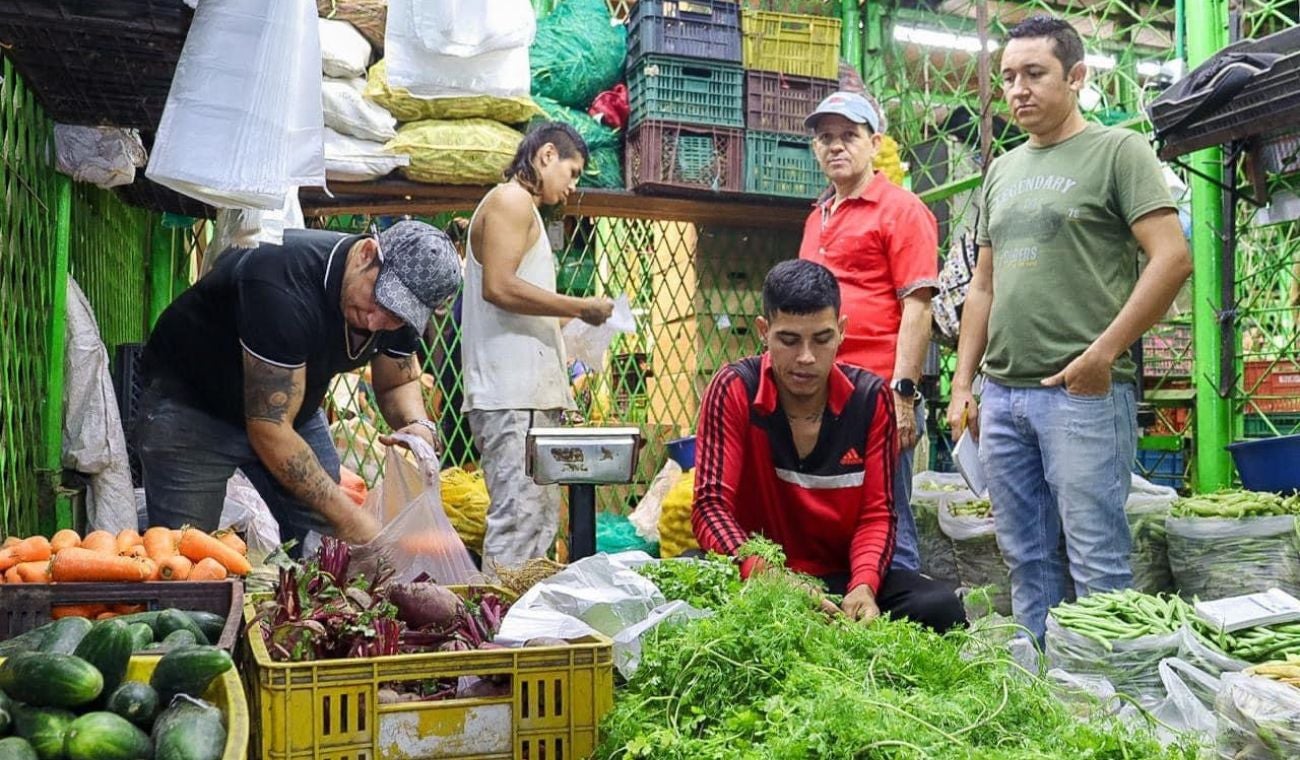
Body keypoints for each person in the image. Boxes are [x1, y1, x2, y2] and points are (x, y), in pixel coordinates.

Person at [944, 16, 1193, 642]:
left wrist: (1104, 354)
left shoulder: (1118, 151)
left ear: (1076, 77)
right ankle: (1046, 696)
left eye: (1035, 74)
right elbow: (983, 285)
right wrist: (962, 384)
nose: (1018, 90)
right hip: (1001, 397)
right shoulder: (1001, 170)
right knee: (1027, 560)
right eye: (1007, 78)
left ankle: (1112, 705)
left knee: (1098, 561)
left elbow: (1173, 258)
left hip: (1081, 395)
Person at [136, 220, 463, 551]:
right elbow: (269, 431)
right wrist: (355, 522)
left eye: (396, 316)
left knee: (323, 537)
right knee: (184, 553)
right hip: (192, 406)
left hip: (289, 410)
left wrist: (416, 424)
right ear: (366, 254)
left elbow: (398, 382)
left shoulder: (399, 310)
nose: (376, 323)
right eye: (379, 301)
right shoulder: (281, 282)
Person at [692, 259, 965, 632]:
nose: (806, 357)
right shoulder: (733, 389)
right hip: (757, 582)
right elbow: (710, 507)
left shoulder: (871, 400)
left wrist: (865, 585)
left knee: (940, 606)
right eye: (788, 340)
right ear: (764, 332)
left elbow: (878, 515)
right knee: (682, 595)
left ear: (841, 331)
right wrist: (771, 577)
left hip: (841, 582)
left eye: (821, 339)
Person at [798, 91, 940, 574]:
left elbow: (917, 309)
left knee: (889, 521)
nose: (835, 146)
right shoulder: (816, 217)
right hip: (820, 396)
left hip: (877, 392)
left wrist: (903, 394)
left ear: (874, 142)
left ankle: (904, 631)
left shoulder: (902, 210)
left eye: (849, 136)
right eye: (825, 138)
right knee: (833, 519)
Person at [462, 122, 614, 572]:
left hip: (521, 398)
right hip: (513, 399)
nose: (572, 187)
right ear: (547, 155)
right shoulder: (510, 200)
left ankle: (517, 632)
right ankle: (499, 636)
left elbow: (514, 298)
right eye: (572, 171)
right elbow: (499, 286)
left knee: (533, 526)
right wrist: (580, 306)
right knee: (519, 527)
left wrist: (567, 326)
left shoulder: (519, 208)